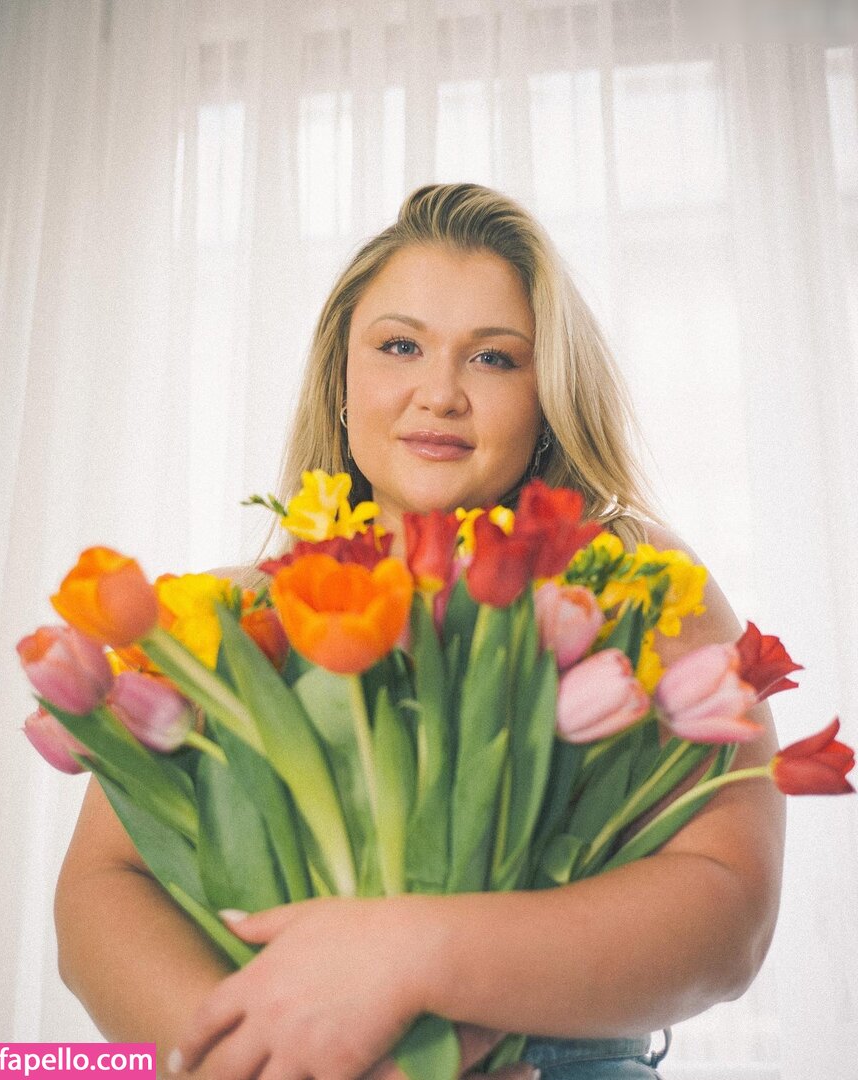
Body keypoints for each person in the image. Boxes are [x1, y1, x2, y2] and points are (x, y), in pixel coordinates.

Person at [55, 183, 785, 1079]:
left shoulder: (630, 579)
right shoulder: (233, 616)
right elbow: (100, 891)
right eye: (400, 346)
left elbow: (731, 917)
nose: (439, 394)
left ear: (548, 396)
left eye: (494, 358)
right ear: (342, 379)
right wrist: (261, 1063)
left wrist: (405, 955)